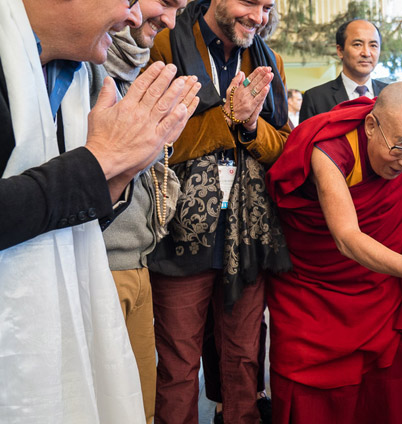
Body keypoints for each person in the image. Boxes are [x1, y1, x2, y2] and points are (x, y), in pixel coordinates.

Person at [0, 0, 199, 421]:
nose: (132, 16)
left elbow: (64, 214)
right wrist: (99, 163)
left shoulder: (71, 72)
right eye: (127, 0)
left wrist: (122, 171)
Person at [266, 82, 402, 424]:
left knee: (382, 401)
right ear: (370, 126)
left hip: (381, 299)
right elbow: (347, 238)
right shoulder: (329, 149)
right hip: (315, 300)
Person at [146, 0, 292, 422]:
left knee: (244, 362)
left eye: (266, 7)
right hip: (179, 233)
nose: (259, 17)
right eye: (250, 3)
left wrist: (249, 126)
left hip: (246, 235)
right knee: (177, 367)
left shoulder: (269, 60)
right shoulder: (166, 45)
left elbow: (284, 145)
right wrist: (227, 116)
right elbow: (155, 142)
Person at [84, 0, 188, 422]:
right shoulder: (86, 66)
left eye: (180, 8)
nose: (170, 21)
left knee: (140, 405)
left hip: (138, 264)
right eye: (165, 2)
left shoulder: (132, 70)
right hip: (96, 266)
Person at [298, 19, 388, 122]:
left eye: (373, 45)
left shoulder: (390, 95)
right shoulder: (316, 98)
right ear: (340, 51)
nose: (366, 53)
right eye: (357, 44)